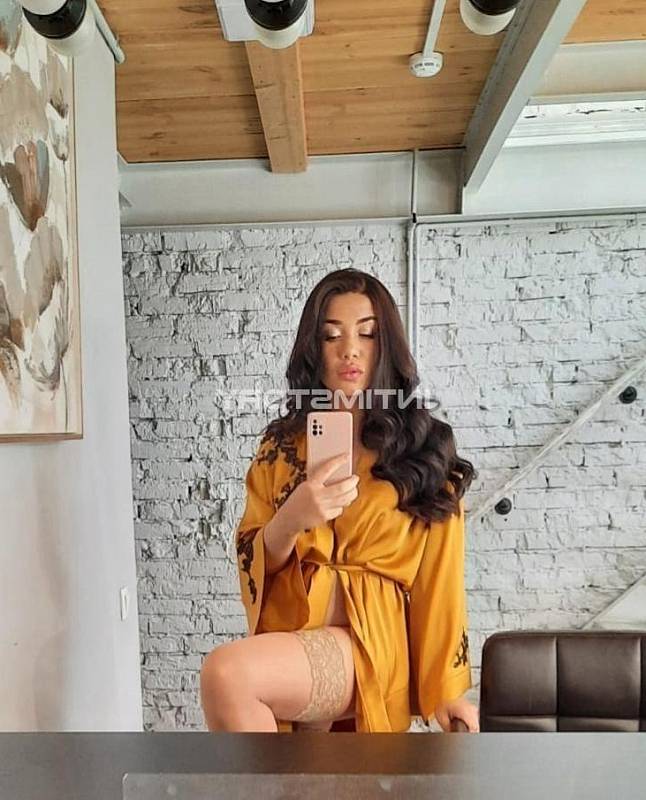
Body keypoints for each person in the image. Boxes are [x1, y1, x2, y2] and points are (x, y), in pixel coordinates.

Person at [200, 267, 480, 734]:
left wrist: (448, 692)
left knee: (227, 674)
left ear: (386, 346)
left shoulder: (423, 449)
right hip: (297, 631)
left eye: (367, 334)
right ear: (314, 349)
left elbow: (441, 579)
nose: (350, 349)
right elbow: (251, 555)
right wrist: (291, 519)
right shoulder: (281, 446)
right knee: (302, 769)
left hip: (370, 643)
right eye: (332, 336)